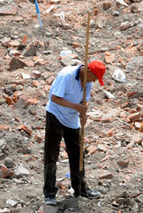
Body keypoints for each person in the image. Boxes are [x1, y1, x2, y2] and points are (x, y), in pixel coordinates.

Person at [43, 61, 106, 205]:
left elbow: (84, 104)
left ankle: (80, 188)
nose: (93, 82)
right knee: (51, 155)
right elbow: (55, 97)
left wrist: (83, 115)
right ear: (88, 71)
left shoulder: (87, 82)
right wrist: (75, 107)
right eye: (94, 78)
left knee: (77, 154)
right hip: (55, 115)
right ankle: (49, 194)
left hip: (72, 119)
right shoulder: (67, 75)